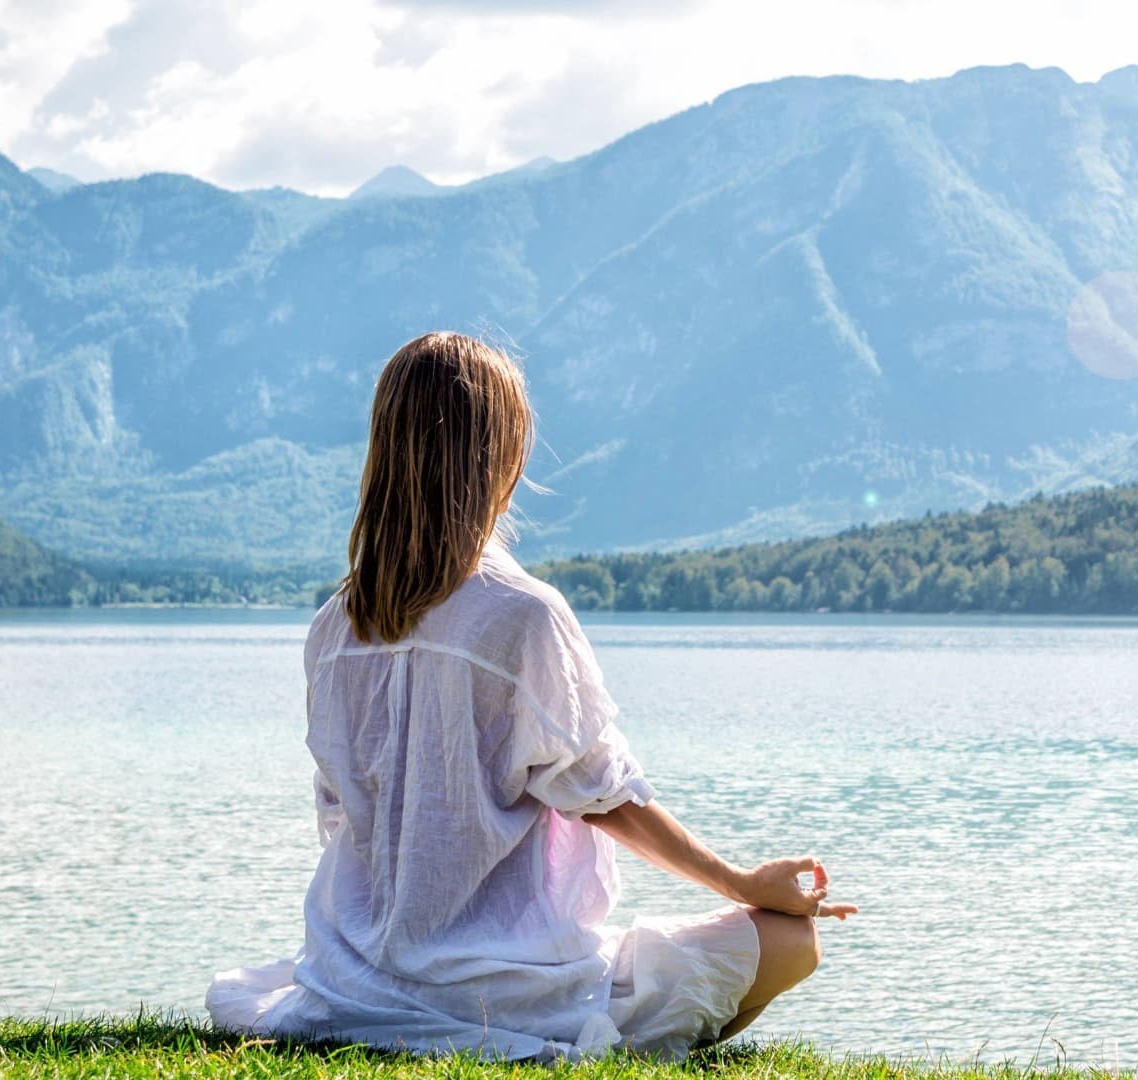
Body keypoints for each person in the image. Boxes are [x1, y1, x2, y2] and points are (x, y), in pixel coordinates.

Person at [206, 331, 855, 1061]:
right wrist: (742, 881)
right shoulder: (522, 614)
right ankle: (611, 1047)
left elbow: (340, 818)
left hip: (352, 977)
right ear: (502, 460)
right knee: (792, 942)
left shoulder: (335, 625)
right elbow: (608, 798)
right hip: (502, 990)